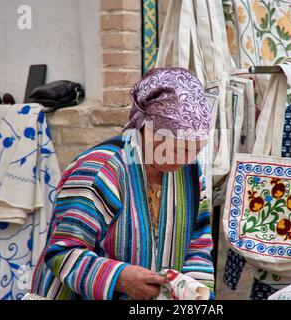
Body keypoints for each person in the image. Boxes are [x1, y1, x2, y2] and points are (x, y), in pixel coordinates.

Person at [30, 67, 215, 300]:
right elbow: (63, 252)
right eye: (180, 149)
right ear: (149, 129)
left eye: (196, 150)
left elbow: (198, 244)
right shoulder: (99, 170)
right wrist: (120, 277)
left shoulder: (188, 173)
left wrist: (196, 294)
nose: (188, 159)